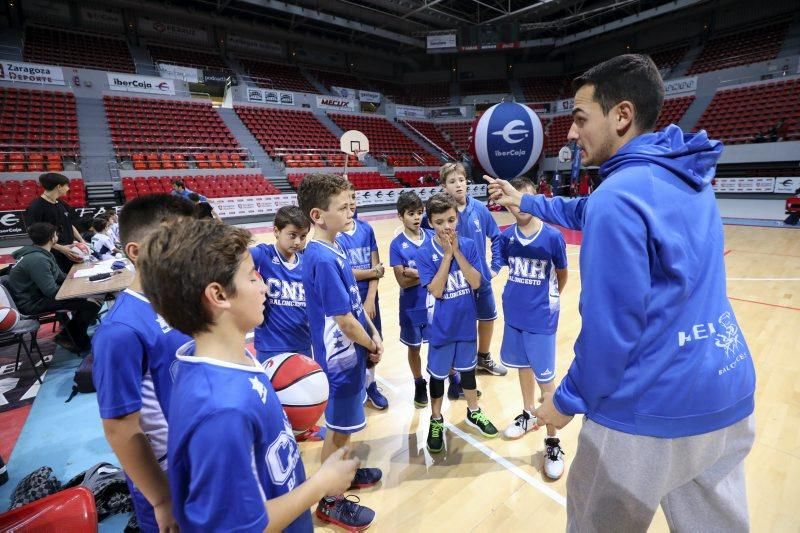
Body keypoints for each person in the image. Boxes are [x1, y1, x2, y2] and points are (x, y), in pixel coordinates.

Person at [488, 54, 756, 532]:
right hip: (726, 389)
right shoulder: (686, 176)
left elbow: (610, 335)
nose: (570, 133)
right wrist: (524, 199)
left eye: (579, 118)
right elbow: (588, 210)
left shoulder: (618, 197)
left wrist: (565, 401)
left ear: (622, 115)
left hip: (647, 407)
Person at [136, 218, 360, 532]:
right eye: (252, 276)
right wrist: (322, 483)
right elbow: (241, 527)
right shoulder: (221, 410)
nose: (263, 285)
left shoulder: (227, 361)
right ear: (218, 295)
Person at [92, 194, 196, 533]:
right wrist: (162, 499)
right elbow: (120, 428)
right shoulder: (120, 330)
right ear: (135, 252)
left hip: (199, 456)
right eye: (173, 240)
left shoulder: (178, 300)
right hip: (167, 474)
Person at [297, 173, 380, 530]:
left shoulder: (337, 246)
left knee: (345, 427)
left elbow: (354, 305)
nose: (352, 211)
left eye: (352, 204)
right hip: (340, 361)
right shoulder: (322, 258)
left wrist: (372, 332)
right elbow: (344, 321)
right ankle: (330, 501)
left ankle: (344, 471)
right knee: (339, 428)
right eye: (344, 207)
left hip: (353, 353)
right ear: (317, 215)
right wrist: (371, 343)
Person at [415, 193, 499, 453]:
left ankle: (474, 411)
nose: (446, 226)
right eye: (439, 222)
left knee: (468, 372)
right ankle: (436, 419)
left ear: (458, 219)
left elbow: (476, 282)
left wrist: (457, 252)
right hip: (441, 328)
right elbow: (437, 290)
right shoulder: (424, 251)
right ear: (431, 223)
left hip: (465, 325)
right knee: (438, 377)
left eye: (451, 220)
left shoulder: (469, 245)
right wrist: (447, 257)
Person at [497, 177, 569, 480]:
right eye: (513, 199)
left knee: (546, 382)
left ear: (534, 199)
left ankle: (553, 440)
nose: (519, 205)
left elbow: (562, 275)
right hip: (515, 314)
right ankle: (529, 414)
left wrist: (548, 302)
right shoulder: (506, 237)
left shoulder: (552, 237)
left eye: (523, 199)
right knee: (523, 368)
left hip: (541, 318)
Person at [423, 162, 507, 398]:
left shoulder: (480, 208)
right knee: (457, 328)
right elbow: (428, 244)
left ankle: (483, 358)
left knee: (488, 317)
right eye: (452, 181)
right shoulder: (441, 214)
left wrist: (495, 267)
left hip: (479, 277)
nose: (458, 185)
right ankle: (455, 377)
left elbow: (497, 237)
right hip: (453, 284)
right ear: (443, 186)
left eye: (461, 180)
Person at [250, 205, 325, 442]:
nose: (298, 241)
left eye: (303, 236)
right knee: (270, 397)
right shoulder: (262, 255)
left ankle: (302, 429)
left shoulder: (307, 262)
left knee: (302, 393)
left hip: (302, 341)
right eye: (291, 235)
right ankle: (270, 435)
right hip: (270, 344)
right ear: (276, 231)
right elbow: (230, 261)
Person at [7, 222, 100, 353]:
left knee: (92, 299)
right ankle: (68, 338)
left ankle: (71, 335)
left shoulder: (42, 254)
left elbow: (62, 277)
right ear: (53, 238)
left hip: (38, 296)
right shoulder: (38, 259)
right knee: (91, 304)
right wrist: (80, 293)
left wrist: (85, 278)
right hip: (32, 302)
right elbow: (51, 291)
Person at [336, 185, 388, 410]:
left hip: (368, 298)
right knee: (350, 345)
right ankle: (355, 387)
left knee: (373, 346)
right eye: (346, 199)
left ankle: (371, 385)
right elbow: (344, 270)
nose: (352, 202)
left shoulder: (366, 229)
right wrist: (372, 272)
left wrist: (370, 299)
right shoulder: (335, 234)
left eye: (354, 197)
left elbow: (377, 265)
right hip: (346, 300)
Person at [388, 191, 432, 408]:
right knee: (414, 347)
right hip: (411, 305)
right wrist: (428, 273)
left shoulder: (432, 237)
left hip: (435, 303)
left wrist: (413, 272)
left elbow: (444, 270)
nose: (416, 217)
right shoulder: (396, 245)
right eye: (411, 213)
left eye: (419, 213)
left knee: (439, 344)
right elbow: (402, 282)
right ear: (400, 216)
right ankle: (419, 383)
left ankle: (450, 379)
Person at [24, 172, 88, 274]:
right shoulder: (36, 207)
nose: (68, 188)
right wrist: (61, 248)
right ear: (59, 186)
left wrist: (81, 240)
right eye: (67, 185)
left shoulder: (61, 203)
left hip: (69, 251)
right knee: (64, 283)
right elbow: (36, 237)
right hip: (53, 255)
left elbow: (69, 224)